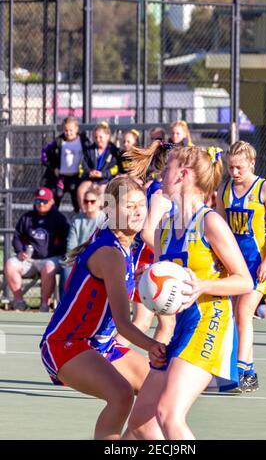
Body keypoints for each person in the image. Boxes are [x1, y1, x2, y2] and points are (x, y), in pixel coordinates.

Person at [124, 146, 253, 440]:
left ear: (183, 174)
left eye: (166, 168)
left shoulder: (210, 222)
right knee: (141, 423)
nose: (160, 174)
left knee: (169, 413)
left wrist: (203, 285)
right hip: (180, 328)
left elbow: (244, 281)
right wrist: (148, 283)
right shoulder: (164, 229)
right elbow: (166, 291)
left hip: (211, 323)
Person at [40, 176, 166, 440]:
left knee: (157, 390)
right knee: (120, 395)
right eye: (129, 206)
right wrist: (153, 346)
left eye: (140, 205)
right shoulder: (110, 254)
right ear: (110, 211)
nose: (137, 211)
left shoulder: (126, 245)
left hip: (101, 345)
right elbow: (123, 323)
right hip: (67, 343)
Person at [216, 141, 266, 393]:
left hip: (258, 264)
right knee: (235, 317)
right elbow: (219, 228)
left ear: (252, 164)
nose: (234, 172)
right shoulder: (224, 190)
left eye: (239, 167)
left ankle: (239, 372)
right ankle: (248, 373)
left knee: (244, 312)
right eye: (231, 167)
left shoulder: (264, 189)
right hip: (233, 263)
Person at [122, 140, 176, 344]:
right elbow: (147, 233)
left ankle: (155, 370)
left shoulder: (155, 188)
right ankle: (110, 361)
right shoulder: (159, 192)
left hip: (151, 256)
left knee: (154, 322)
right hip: (149, 257)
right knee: (149, 321)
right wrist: (166, 254)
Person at [4, 187, 70, 312]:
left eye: (44, 201)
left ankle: (44, 304)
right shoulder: (27, 217)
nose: (41, 204)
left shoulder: (59, 218)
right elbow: (17, 237)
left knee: (49, 267)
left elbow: (66, 240)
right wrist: (20, 251)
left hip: (50, 258)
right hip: (29, 259)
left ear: (51, 202)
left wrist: (52, 251)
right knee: (10, 265)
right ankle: (19, 302)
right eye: (38, 201)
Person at [41, 116, 91, 212]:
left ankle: (77, 219)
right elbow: (44, 151)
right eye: (66, 130)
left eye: (71, 130)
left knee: (76, 197)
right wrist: (53, 168)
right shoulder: (59, 141)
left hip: (77, 177)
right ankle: (54, 218)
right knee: (57, 195)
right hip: (62, 177)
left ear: (77, 129)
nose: (68, 133)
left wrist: (86, 170)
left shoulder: (83, 141)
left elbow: (91, 155)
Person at [61, 185, 107, 289]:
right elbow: (71, 245)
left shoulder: (105, 220)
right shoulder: (77, 220)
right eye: (86, 201)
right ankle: (64, 302)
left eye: (92, 201)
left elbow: (104, 244)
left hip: (98, 258)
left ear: (99, 203)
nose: (89, 204)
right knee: (66, 268)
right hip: (78, 258)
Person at [77, 122, 119, 210]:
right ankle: (85, 212)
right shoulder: (90, 150)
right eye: (95, 137)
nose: (98, 139)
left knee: (103, 190)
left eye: (101, 137)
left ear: (107, 137)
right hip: (91, 179)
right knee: (81, 189)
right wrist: (89, 172)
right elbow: (83, 165)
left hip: (105, 180)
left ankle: (103, 215)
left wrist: (102, 174)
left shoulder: (114, 151)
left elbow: (115, 168)